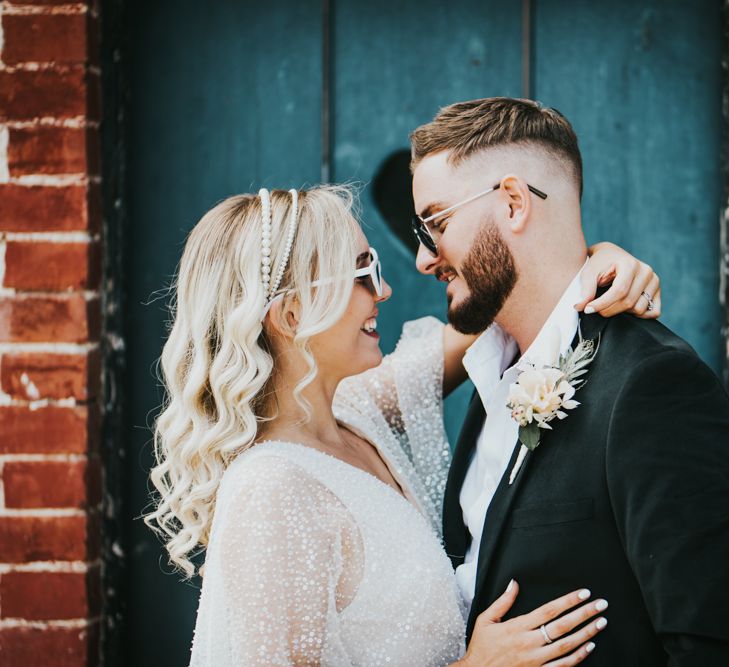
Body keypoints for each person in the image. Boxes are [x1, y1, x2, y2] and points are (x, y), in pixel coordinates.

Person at [145, 184, 660, 666]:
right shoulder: (271, 489)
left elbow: (515, 300)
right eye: (362, 273)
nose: (384, 290)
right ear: (293, 314)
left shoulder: (359, 414)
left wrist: (595, 262)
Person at [410, 97, 729, 666]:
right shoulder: (490, 380)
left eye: (435, 223)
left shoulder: (651, 384)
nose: (422, 258)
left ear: (512, 203)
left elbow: (706, 640)